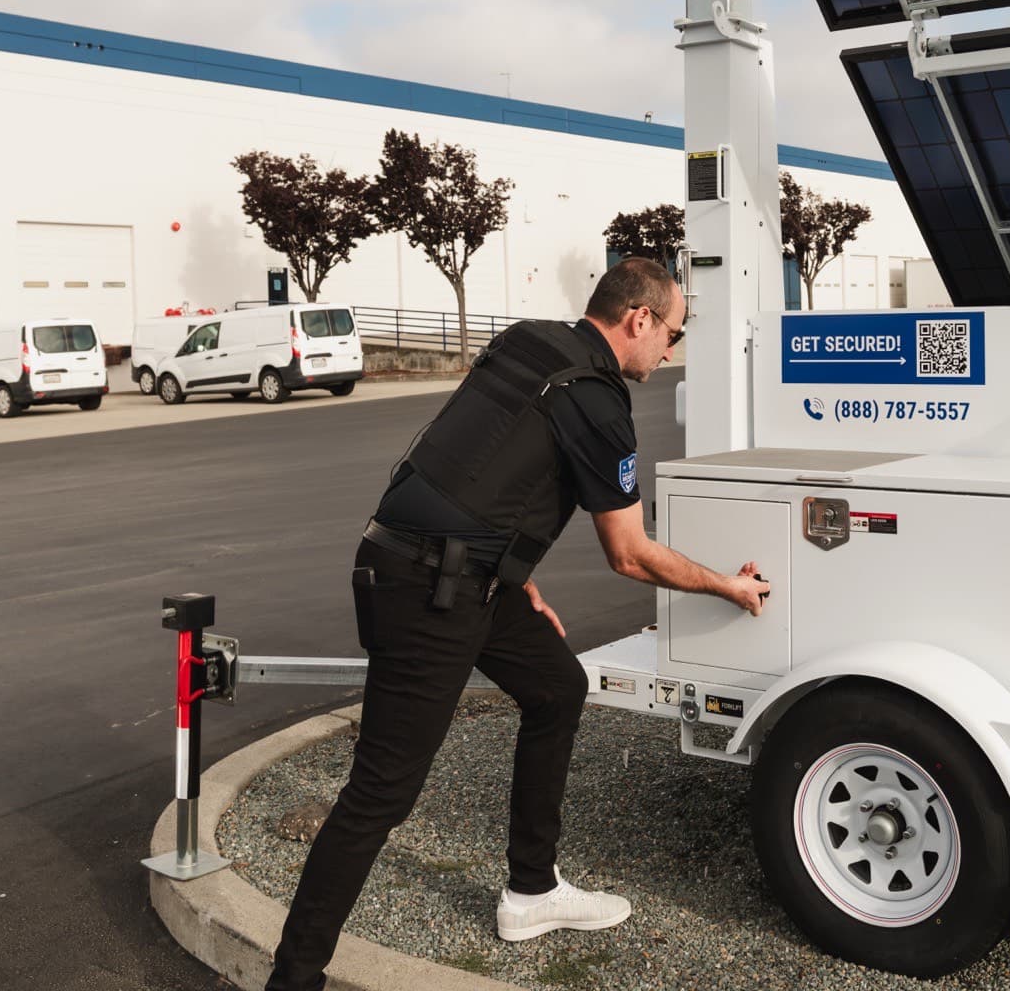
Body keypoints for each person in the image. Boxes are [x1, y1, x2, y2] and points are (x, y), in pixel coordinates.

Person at [265, 257, 770, 991]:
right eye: (673, 335)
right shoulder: (601, 404)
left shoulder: (528, 341)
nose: (671, 353)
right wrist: (726, 585)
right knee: (380, 794)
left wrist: (514, 578)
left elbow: (487, 462)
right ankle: (294, 979)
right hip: (429, 591)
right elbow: (628, 555)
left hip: (452, 574)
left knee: (557, 687)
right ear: (639, 320)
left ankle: (531, 892)